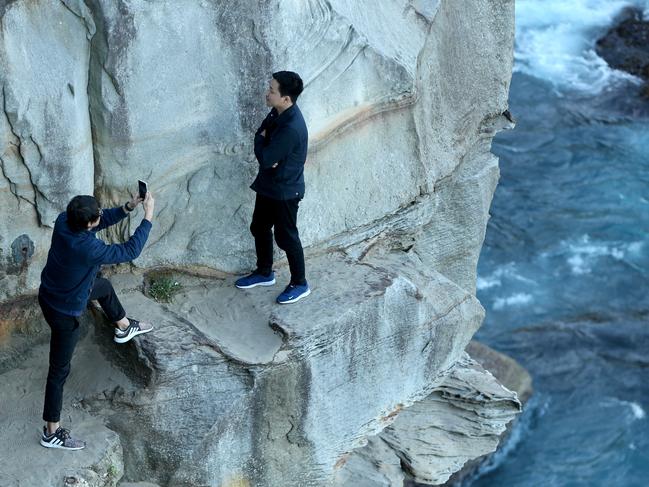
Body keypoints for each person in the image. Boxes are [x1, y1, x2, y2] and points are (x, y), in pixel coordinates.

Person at [38, 191, 155, 450]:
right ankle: (51, 432)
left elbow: (96, 221)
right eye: (97, 217)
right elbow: (129, 250)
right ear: (87, 224)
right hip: (64, 311)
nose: (100, 217)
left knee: (102, 286)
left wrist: (128, 207)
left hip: (50, 292)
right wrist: (147, 217)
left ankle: (123, 326)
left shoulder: (63, 220)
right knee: (58, 372)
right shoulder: (86, 248)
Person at [235, 71, 310, 304]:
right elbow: (263, 136)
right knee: (259, 227)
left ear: (286, 98)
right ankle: (265, 272)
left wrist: (261, 141)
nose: (267, 93)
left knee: (287, 238)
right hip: (270, 185)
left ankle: (300, 283)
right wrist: (264, 140)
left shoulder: (291, 128)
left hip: (286, 192)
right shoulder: (277, 111)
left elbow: (266, 157)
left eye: (271, 91)